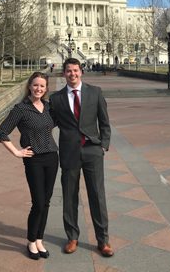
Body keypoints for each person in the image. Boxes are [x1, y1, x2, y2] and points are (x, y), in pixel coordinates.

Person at [49, 58, 114, 257]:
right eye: (68, 71)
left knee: (97, 196)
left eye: (75, 70)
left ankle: (103, 240)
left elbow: (104, 122)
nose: (72, 74)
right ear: (64, 74)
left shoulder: (95, 92)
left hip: (92, 151)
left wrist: (103, 145)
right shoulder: (56, 98)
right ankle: (72, 237)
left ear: (81, 72)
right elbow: (47, 123)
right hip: (70, 152)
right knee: (69, 196)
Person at [0, 72, 58, 261]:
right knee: (38, 202)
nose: (39, 89)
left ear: (46, 89)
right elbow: (2, 132)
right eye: (35, 85)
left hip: (52, 158)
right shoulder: (21, 109)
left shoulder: (48, 108)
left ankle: (40, 239)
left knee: (46, 202)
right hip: (34, 160)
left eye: (42, 86)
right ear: (29, 86)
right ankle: (31, 241)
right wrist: (16, 152)